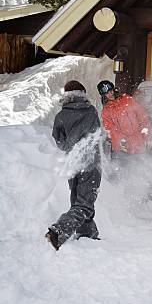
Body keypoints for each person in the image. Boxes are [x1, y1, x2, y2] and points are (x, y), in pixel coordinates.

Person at [46, 81, 102, 251]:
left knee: (79, 203)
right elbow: (97, 134)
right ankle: (58, 231)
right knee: (84, 205)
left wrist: (71, 143)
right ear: (83, 93)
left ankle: (88, 235)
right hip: (91, 165)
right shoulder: (91, 111)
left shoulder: (61, 116)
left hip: (73, 165)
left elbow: (60, 143)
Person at [97, 80, 151, 167]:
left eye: (111, 91)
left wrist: (147, 135)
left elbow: (142, 116)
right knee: (123, 173)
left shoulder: (127, 100)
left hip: (137, 142)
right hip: (121, 147)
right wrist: (121, 140)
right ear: (104, 95)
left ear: (114, 90)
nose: (110, 94)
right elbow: (110, 129)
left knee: (140, 169)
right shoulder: (106, 111)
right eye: (107, 93)